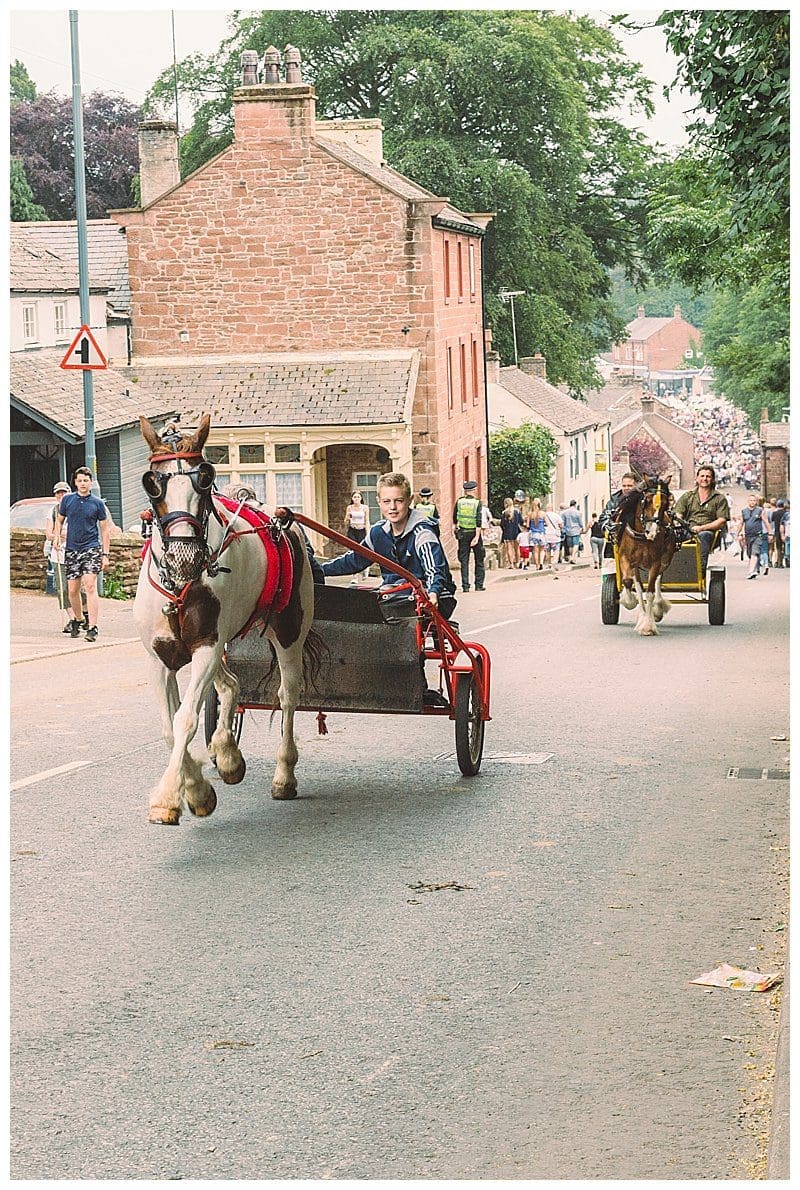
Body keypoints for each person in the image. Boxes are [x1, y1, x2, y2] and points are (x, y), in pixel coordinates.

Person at [321, 472, 456, 619]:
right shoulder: (378, 533)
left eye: (399, 500)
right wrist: (319, 570)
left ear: (410, 500)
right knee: (350, 598)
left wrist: (433, 593)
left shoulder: (422, 532)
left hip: (433, 597)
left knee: (387, 604)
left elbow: (434, 569)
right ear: (378, 501)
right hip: (395, 595)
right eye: (386, 501)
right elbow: (354, 560)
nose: (393, 507)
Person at [53, 466, 110, 641]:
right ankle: (78, 619)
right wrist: (57, 537)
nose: (83, 483)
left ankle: (93, 626)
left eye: (86, 480)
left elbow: (105, 530)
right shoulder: (67, 501)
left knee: (90, 585)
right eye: (79, 480)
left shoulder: (97, 503)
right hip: (72, 549)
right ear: (76, 483)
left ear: (91, 482)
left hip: (91, 548)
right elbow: (60, 520)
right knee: (72, 590)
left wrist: (105, 554)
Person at [674, 464, 731, 570]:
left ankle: (699, 571)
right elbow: (678, 513)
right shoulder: (688, 496)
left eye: (708, 476)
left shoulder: (719, 498)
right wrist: (679, 522)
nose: (705, 479)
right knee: (671, 536)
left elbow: (722, 520)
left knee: (703, 536)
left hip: (708, 532)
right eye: (702, 476)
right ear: (697, 478)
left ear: (712, 479)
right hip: (688, 529)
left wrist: (702, 528)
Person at [44, 480, 73, 631]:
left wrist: (63, 534)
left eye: (64, 492)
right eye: (58, 493)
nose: (61, 495)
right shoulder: (53, 511)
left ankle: (83, 617)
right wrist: (57, 536)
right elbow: (48, 533)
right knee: (62, 588)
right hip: (58, 554)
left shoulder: (74, 509)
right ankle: (72, 618)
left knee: (77, 589)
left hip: (74, 552)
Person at [452, 479, 485, 592]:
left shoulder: (459, 502)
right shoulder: (477, 502)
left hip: (463, 533)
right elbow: (479, 520)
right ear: (474, 490)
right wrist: (476, 537)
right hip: (474, 533)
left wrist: (455, 528)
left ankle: (465, 585)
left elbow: (455, 517)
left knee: (464, 560)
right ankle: (479, 585)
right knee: (479, 559)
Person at [598, 472, 638, 541]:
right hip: (618, 541)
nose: (626, 488)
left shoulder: (641, 501)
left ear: (636, 486)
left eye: (629, 486)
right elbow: (603, 518)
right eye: (624, 486)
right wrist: (608, 526)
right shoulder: (614, 501)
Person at [738, 491, 765, 579]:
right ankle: (755, 569)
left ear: (756, 502)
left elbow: (766, 522)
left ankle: (751, 572)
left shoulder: (760, 511)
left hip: (758, 535)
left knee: (754, 552)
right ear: (748, 501)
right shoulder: (744, 511)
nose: (752, 502)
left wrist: (770, 533)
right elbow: (741, 523)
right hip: (748, 536)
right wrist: (738, 533)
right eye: (750, 500)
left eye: (754, 500)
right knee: (750, 554)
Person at [499, 496, 523, 568]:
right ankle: (518, 563)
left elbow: (502, 524)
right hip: (516, 531)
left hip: (507, 532)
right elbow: (521, 521)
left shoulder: (504, 513)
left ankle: (511, 564)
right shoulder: (517, 512)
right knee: (517, 548)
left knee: (509, 548)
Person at [561, 499, 584, 564]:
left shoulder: (565, 513)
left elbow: (563, 522)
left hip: (568, 531)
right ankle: (573, 557)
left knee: (570, 545)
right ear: (575, 505)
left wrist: (564, 530)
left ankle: (571, 557)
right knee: (576, 545)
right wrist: (582, 527)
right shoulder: (577, 512)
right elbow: (580, 522)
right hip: (576, 530)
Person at [542, 503, 563, 570]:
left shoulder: (543, 515)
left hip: (546, 536)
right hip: (555, 536)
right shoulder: (556, 515)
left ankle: (549, 564)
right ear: (552, 508)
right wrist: (560, 529)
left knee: (547, 550)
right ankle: (555, 562)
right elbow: (561, 525)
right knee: (556, 550)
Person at [528, 498, 546, 570]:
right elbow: (547, 523)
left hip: (533, 533)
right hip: (541, 533)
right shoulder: (543, 513)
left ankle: (537, 566)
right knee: (542, 550)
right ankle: (541, 562)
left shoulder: (530, 514)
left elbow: (527, 525)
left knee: (535, 551)